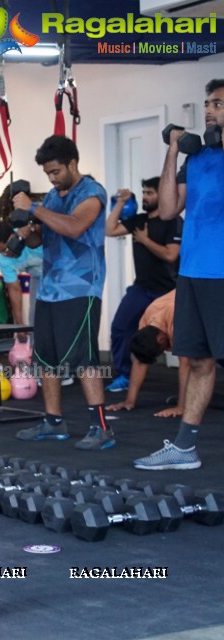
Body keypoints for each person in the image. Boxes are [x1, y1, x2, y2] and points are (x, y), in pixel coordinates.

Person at [134, 79, 224, 471]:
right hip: (191, 274)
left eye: (218, 104)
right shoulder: (198, 158)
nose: (209, 110)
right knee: (199, 360)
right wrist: (173, 151)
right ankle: (185, 447)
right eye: (207, 103)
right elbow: (169, 209)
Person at [12, 135, 113, 450]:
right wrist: (27, 232)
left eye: (56, 171)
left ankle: (101, 427)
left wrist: (35, 210)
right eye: (47, 174)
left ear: (73, 163)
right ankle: (54, 421)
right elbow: (41, 240)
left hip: (81, 288)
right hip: (50, 288)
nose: (52, 178)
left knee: (85, 359)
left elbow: (73, 227)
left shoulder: (92, 193)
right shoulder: (53, 198)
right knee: (46, 359)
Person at [104, 177, 181, 393]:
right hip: (142, 288)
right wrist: (120, 202)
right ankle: (124, 375)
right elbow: (110, 230)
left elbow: (171, 255)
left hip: (168, 292)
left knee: (183, 340)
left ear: (162, 195)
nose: (145, 197)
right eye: (144, 193)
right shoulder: (138, 220)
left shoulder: (173, 221)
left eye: (150, 193)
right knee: (120, 327)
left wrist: (145, 240)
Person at [107, 291, 189, 417]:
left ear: (161, 339)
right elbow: (140, 361)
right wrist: (129, 401)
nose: (168, 349)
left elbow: (186, 363)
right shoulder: (148, 318)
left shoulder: (176, 319)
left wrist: (181, 407)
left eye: (164, 349)